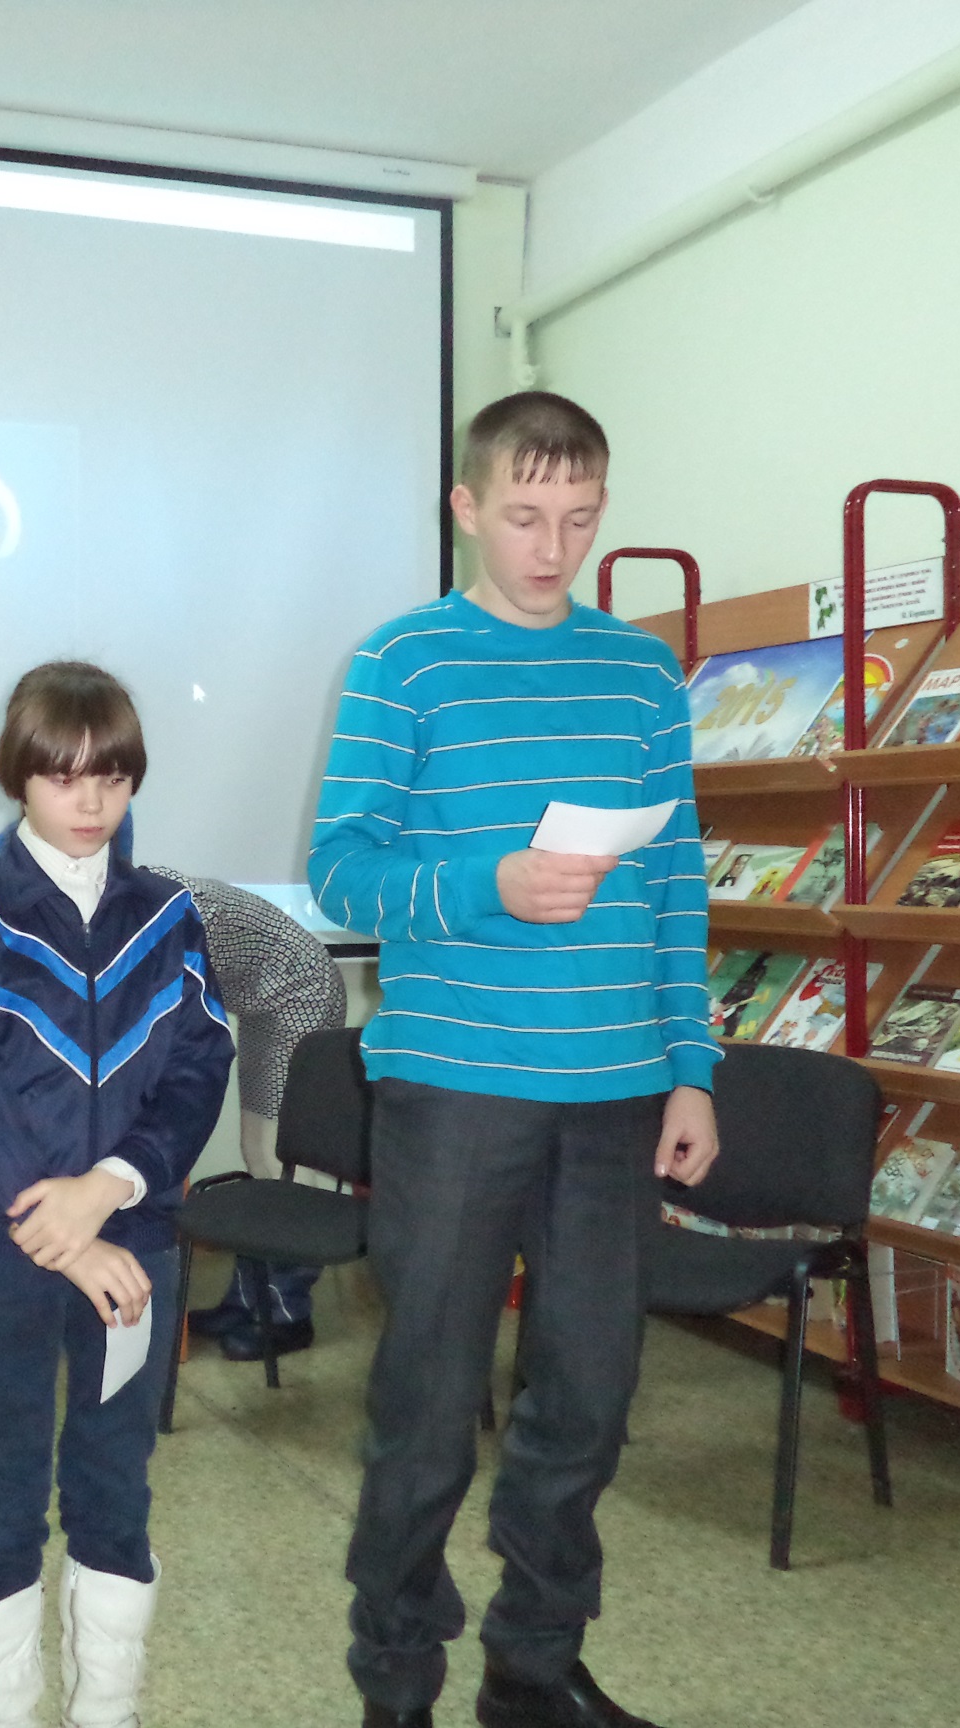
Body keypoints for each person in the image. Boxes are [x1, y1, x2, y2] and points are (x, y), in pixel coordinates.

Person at [311, 392, 720, 1728]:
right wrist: (490, 882)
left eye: (580, 519)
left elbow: (676, 885)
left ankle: (534, 1671)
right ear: (468, 507)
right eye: (527, 517)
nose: (553, 549)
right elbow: (342, 871)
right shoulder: (402, 661)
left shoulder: (643, 674)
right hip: (453, 1094)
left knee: (589, 1403)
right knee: (428, 1408)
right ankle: (397, 1682)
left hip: (615, 1097)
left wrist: (693, 1067)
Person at [0, 661, 234, 1728]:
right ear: (19, 776)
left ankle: (109, 1710)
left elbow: (198, 1067)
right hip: (2, 1249)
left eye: (113, 776)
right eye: (64, 776)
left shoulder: (169, 914)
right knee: (2, 1492)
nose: (91, 800)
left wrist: (111, 1187)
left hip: (134, 1242)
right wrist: (66, 1233)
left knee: (114, 1487)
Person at [142, 867, 347, 1359]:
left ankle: (288, 1314)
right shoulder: (137, 897)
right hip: (264, 1006)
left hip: (301, 995)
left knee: (285, 1161)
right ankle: (248, 1301)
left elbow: (164, 1013)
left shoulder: (163, 909)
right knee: (258, 1151)